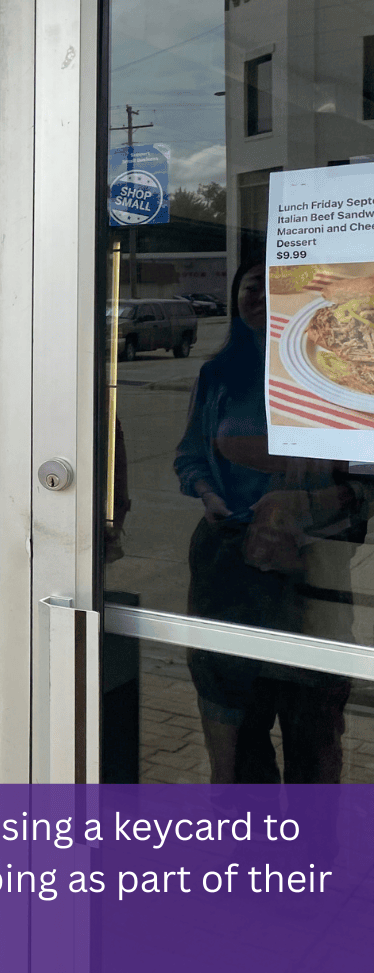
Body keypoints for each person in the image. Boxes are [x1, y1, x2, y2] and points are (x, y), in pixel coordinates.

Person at [174, 256, 365, 783]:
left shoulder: (334, 373)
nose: (258, 299)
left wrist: (313, 506)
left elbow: (363, 483)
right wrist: (211, 496)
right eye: (249, 289)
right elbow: (189, 457)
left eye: (270, 291)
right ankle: (251, 851)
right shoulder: (218, 375)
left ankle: (313, 855)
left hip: (311, 569)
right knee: (239, 722)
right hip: (226, 564)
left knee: (315, 720)